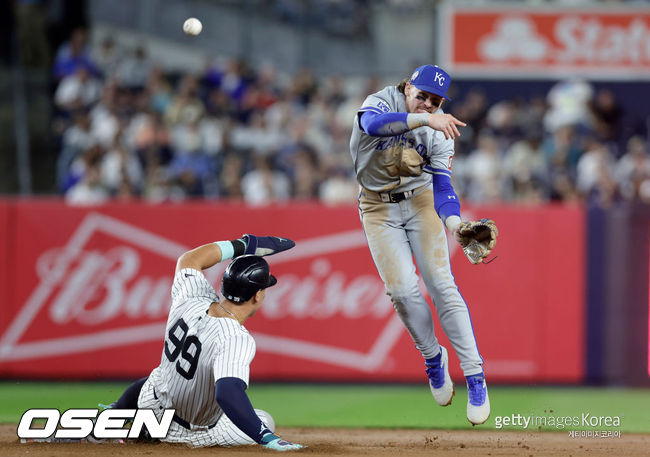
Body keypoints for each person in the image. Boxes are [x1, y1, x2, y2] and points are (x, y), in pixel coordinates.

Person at [349, 64, 496, 425]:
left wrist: (456, 224)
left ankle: (475, 376)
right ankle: (433, 358)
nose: (429, 104)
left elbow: (443, 188)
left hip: (420, 201)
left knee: (443, 286)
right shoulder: (382, 102)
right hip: (376, 206)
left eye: (436, 100)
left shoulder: (440, 128)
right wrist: (426, 121)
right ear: (407, 87)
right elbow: (372, 126)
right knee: (400, 291)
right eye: (423, 95)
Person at [103, 234, 304, 450]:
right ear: (257, 295)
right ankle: (155, 435)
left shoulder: (192, 296)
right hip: (186, 433)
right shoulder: (235, 337)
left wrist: (244, 245)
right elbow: (228, 393)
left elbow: (190, 259)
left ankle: (115, 417)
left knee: (159, 377)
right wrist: (268, 438)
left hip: (150, 402)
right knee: (264, 420)